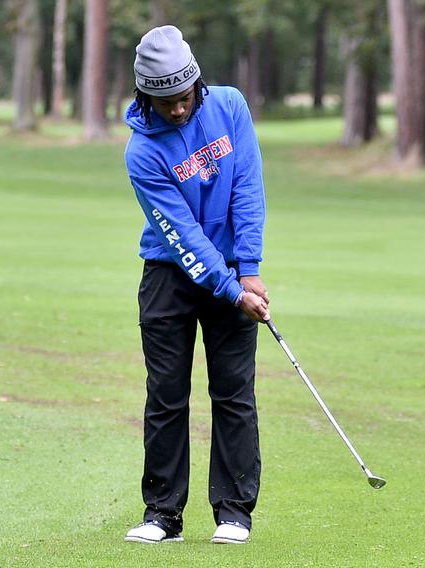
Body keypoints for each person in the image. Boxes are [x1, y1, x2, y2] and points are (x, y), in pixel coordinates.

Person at [121, 25, 270, 546]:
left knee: (233, 392)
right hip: (169, 273)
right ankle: (163, 513)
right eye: (165, 103)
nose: (178, 110)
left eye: (184, 99)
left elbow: (248, 187)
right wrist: (231, 290)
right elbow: (181, 236)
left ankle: (234, 511)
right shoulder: (142, 153)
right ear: (146, 96)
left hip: (232, 265)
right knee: (165, 395)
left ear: (197, 86)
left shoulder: (229, 106)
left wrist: (247, 269)